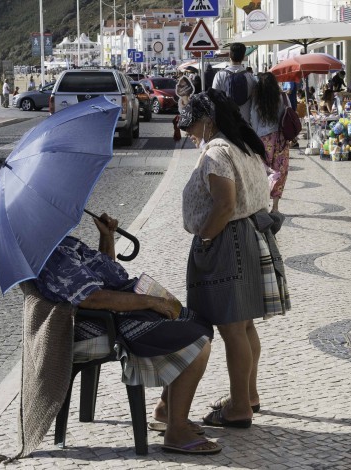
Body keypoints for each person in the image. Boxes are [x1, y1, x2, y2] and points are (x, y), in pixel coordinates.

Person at [34, 213, 221, 455]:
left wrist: (107, 237)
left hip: (117, 313)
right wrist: (149, 302)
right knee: (196, 341)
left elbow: (105, 277)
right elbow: (93, 298)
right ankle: (176, 432)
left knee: (196, 322)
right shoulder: (52, 255)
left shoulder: (66, 243)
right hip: (103, 324)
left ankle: (166, 410)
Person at [178, 89, 290, 429]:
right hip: (252, 235)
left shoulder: (217, 152)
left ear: (208, 120)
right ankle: (249, 395)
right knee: (243, 324)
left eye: (194, 125)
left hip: (230, 240)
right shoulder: (244, 145)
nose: (192, 133)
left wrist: (207, 240)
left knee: (231, 328)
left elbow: (224, 204)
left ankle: (239, 406)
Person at [250, 73, 291, 213]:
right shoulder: (282, 97)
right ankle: (275, 207)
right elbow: (289, 113)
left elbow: (253, 122)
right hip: (281, 139)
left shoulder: (256, 101)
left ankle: (262, 204)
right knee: (280, 171)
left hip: (262, 140)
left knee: (262, 172)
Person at [211, 42, 258, 125]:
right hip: (245, 123)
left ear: (229, 55)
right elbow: (255, 102)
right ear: (243, 56)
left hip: (226, 122)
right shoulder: (251, 77)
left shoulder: (219, 75)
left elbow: (214, 100)